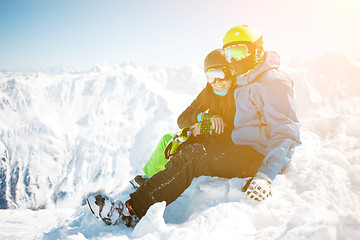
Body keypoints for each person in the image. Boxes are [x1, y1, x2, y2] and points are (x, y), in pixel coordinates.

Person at [87, 25, 301, 227]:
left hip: (259, 156)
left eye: (239, 51)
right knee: (187, 143)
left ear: (256, 50)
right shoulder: (246, 79)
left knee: (195, 156)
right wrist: (199, 126)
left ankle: (130, 211)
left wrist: (265, 175)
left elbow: (286, 131)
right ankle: (157, 184)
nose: (234, 60)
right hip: (242, 146)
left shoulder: (272, 81)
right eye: (230, 54)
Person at [134, 48, 236, 184]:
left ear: (231, 72)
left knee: (180, 146)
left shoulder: (238, 94)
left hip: (227, 147)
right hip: (211, 138)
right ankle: (151, 179)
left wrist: (205, 128)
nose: (216, 82)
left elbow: (240, 129)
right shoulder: (208, 93)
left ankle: (163, 182)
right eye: (210, 77)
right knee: (168, 139)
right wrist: (205, 118)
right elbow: (182, 119)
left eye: (221, 74)